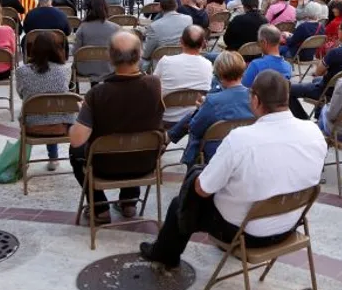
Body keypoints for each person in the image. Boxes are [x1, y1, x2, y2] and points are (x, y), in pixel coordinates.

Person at [139, 70, 327, 268]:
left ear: (255, 100)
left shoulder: (241, 139)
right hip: (290, 224)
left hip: (246, 232)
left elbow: (202, 189)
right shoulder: (313, 132)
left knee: (182, 201)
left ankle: (165, 255)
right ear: (287, 97)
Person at [67, 32, 163, 222]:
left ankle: (100, 207)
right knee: (134, 138)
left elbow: (77, 139)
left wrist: (83, 112)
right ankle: (129, 202)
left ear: (109, 56)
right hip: (144, 163)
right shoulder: (155, 85)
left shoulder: (98, 93)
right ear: (140, 53)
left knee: (75, 150)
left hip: (105, 166)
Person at [167, 51, 255, 168]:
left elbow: (194, 129)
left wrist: (201, 110)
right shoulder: (255, 98)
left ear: (218, 73)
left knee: (196, 127)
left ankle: (187, 163)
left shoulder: (213, 101)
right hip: (247, 151)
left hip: (216, 155)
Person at [15, 31, 74, 168]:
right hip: (62, 126)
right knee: (53, 110)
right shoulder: (64, 70)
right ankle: (53, 159)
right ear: (56, 48)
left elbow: (21, 94)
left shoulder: (22, 72)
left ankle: (25, 162)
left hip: (32, 125)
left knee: (43, 109)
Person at [289, 17, 342, 119]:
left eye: (339, 29)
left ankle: (304, 119)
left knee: (288, 90)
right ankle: (319, 116)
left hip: (328, 90)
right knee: (316, 80)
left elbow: (318, 72)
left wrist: (322, 61)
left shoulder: (336, 52)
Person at [153, 25, 213, 126]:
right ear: (203, 44)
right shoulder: (208, 64)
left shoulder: (165, 61)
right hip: (193, 118)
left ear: (181, 41)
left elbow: (153, 87)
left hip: (166, 118)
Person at [72, 0, 119, 80]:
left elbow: (75, 52)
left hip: (85, 69)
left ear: (89, 10)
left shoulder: (83, 27)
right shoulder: (116, 28)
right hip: (109, 68)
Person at [141, 0, 192, 69]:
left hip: (161, 65)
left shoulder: (154, 26)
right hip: (183, 61)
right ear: (177, 5)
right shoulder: (188, 19)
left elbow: (146, 54)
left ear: (160, 7)